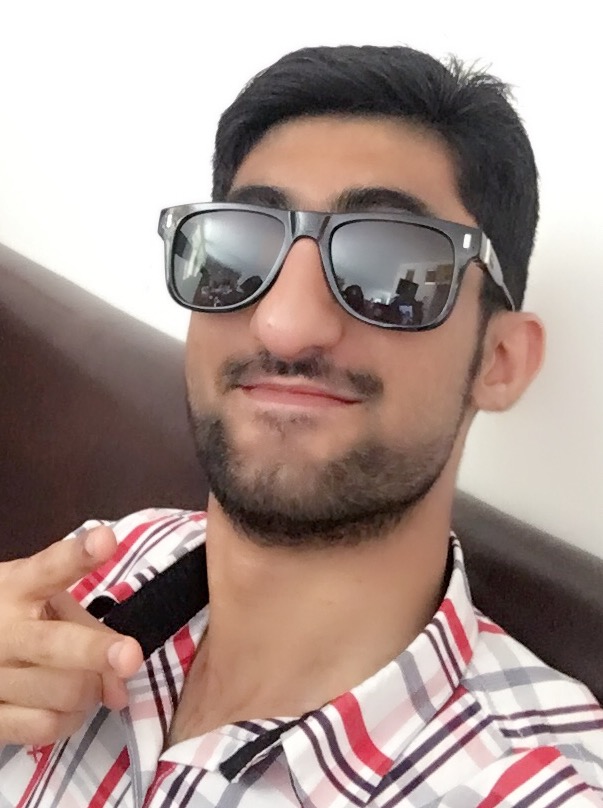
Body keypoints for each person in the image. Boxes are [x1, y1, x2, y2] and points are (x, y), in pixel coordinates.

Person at [1, 44, 602, 807]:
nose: (283, 325)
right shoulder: (106, 566)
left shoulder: (532, 788)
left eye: (389, 269)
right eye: (240, 250)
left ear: (500, 360)